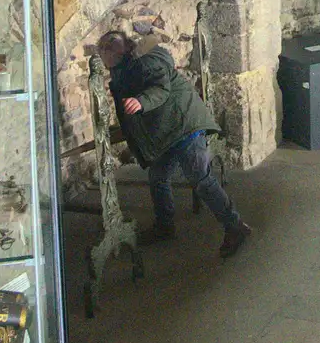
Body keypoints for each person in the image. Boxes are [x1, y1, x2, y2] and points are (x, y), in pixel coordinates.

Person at [96, 30, 251, 257]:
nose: (103, 60)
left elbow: (160, 89)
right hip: (167, 130)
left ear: (114, 52)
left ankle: (235, 226)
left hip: (184, 124)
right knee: (158, 176)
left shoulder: (146, 63)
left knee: (201, 179)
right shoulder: (124, 69)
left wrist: (141, 102)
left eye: (104, 54)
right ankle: (164, 226)